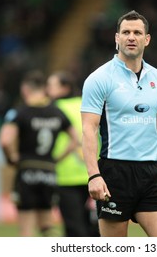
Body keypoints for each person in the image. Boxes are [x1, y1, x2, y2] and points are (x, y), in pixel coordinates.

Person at [80, 10, 157, 237]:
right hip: (114, 173)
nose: (131, 37)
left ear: (147, 39)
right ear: (117, 38)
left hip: (151, 173)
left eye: (137, 32)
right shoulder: (99, 79)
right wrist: (94, 176)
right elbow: (89, 129)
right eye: (126, 32)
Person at [0, 71, 80, 237]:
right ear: (44, 89)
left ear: (25, 89)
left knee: (26, 228)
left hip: (27, 169)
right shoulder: (57, 112)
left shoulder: (21, 112)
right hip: (49, 171)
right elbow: (75, 140)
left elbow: (5, 140)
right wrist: (56, 159)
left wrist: (12, 158)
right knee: (47, 225)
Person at [46, 72, 99, 237]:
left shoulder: (52, 109)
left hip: (65, 174)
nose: (47, 90)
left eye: (51, 86)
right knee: (93, 226)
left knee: (73, 227)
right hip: (92, 173)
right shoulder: (87, 104)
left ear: (65, 88)